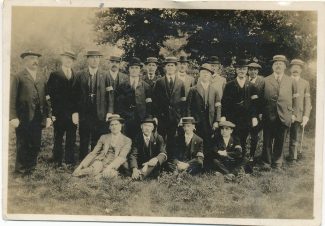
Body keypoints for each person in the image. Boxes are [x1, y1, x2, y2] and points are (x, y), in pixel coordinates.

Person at [10, 50, 52, 176]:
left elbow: (47, 98)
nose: (35, 61)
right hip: (23, 117)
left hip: (38, 117)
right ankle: (20, 170)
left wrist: (48, 116)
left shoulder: (41, 77)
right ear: (25, 61)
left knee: (35, 143)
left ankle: (31, 168)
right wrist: (13, 117)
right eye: (32, 58)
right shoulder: (19, 76)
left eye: (36, 58)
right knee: (22, 144)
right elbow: (12, 99)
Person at [74, 50, 114, 161]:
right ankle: (83, 161)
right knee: (84, 138)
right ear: (88, 59)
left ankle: (95, 161)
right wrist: (75, 112)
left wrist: (109, 111)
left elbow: (110, 95)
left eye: (97, 57)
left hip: (100, 113)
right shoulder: (79, 75)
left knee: (97, 139)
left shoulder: (105, 75)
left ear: (99, 59)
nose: (95, 60)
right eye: (92, 57)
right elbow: (74, 95)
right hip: (85, 113)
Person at [261, 55, 298, 170]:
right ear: (273, 66)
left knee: (280, 140)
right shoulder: (265, 80)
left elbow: (295, 99)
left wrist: (293, 114)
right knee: (267, 140)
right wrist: (260, 113)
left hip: (284, 114)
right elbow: (261, 99)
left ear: (285, 66)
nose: (278, 66)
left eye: (281, 64)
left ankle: (277, 162)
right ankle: (266, 162)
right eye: (276, 63)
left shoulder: (291, 81)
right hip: (268, 114)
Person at [221, 58, 259, 160]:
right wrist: (224, 116)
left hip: (246, 118)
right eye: (239, 69)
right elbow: (224, 102)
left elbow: (255, 104)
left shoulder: (251, 86)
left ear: (247, 70)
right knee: (233, 137)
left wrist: (254, 117)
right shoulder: (229, 85)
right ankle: (232, 157)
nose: (241, 71)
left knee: (243, 138)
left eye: (244, 69)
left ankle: (242, 159)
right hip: (232, 117)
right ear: (236, 70)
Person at [47, 50, 78, 167]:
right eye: (66, 58)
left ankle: (69, 160)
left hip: (72, 113)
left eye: (71, 59)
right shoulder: (54, 74)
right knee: (58, 136)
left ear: (73, 61)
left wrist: (76, 112)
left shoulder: (76, 75)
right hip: (59, 112)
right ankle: (57, 160)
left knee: (71, 137)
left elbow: (77, 95)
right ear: (62, 59)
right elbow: (49, 94)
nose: (68, 61)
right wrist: (52, 112)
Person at [152, 56, 186, 157]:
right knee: (161, 138)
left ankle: (171, 159)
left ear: (176, 67)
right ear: (165, 68)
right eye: (168, 66)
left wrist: (182, 117)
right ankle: (160, 157)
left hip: (175, 116)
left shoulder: (180, 83)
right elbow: (155, 101)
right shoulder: (159, 82)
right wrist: (155, 116)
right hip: (162, 116)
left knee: (173, 139)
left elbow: (183, 102)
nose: (170, 67)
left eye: (172, 65)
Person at [115, 57, 152, 139]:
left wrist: (146, 118)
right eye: (132, 68)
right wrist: (122, 117)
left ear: (140, 70)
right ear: (129, 69)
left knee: (139, 141)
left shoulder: (146, 86)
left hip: (141, 119)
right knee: (126, 140)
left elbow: (149, 105)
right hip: (126, 119)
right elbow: (118, 104)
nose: (134, 70)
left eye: (136, 68)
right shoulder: (122, 85)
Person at [186, 64, 221, 152]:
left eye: (208, 73)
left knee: (209, 143)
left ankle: (207, 162)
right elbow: (188, 107)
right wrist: (190, 122)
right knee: (197, 142)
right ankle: (197, 161)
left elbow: (218, 106)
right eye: (203, 72)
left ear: (210, 76)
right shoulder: (193, 90)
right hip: (197, 122)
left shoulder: (214, 90)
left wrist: (217, 121)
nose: (205, 75)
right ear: (200, 74)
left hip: (210, 121)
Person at [288, 59, 312, 162]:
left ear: (301, 70)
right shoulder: (285, 80)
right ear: (290, 69)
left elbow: (307, 100)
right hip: (285, 113)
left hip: (298, 114)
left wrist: (306, 115)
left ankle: (292, 157)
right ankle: (278, 158)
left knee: (294, 136)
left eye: (298, 68)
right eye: (293, 67)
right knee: (281, 136)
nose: (295, 69)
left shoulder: (305, 83)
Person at [247, 60, 265, 160]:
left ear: (258, 71)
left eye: (255, 70)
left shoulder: (262, 81)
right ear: (248, 71)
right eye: (250, 70)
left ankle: (252, 155)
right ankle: (242, 153)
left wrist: (260, 113)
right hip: (245, 112)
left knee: (254, 133)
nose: (252, 72)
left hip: (257, 112)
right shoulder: (244, 80)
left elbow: (263, 98)